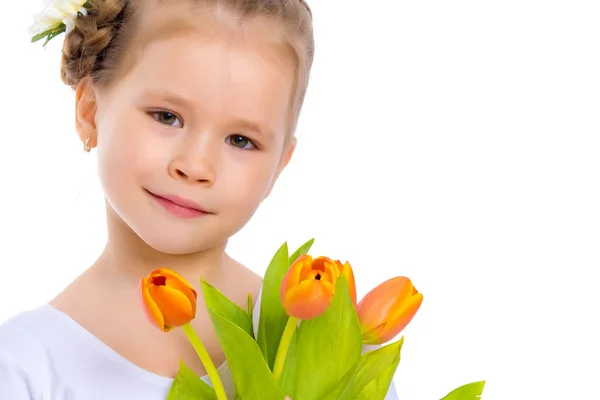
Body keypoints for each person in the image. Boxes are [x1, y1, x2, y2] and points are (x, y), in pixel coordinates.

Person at [0, 0, 399, 399]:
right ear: (90, 111)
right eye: (166, 117)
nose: (195, 166)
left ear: (280, 165)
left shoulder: (328, 340)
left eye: (241, 140)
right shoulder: (24, 366)